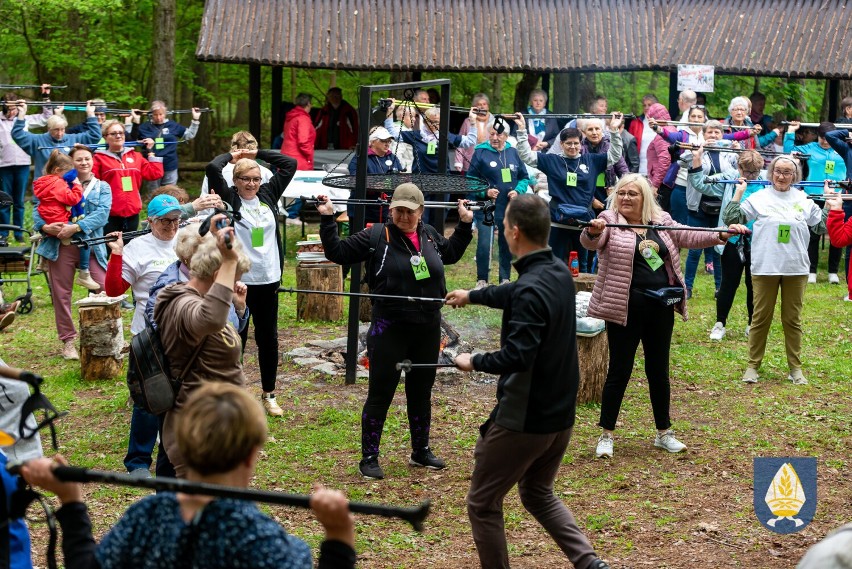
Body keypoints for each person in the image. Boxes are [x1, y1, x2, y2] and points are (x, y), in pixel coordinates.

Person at [20, 382, 358, 569]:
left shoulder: (146, 518)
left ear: (179, 445)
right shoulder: (265, 544)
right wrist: (339, 537)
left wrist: (70, 500)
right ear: (252, 455)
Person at [445, 194, 611, 569]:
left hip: (525, 419)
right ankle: (588, 563)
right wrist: (473, 295)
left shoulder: (533, 287)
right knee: (537, 493)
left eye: (504, 226)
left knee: (482, 503)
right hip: (560, 416)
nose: (503, 231)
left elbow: (517, 356)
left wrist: (473, 360)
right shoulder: (554, 272)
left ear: (514, 232)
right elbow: (515, 291)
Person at [316, 184, 473, 480]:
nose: (403, 216)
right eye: (398, 210)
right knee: (380, 393)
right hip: (389, 327)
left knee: (421, 391)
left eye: (409, 211)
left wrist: (464, 224)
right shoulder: (376, 236)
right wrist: (327, 219)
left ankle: (420, 451)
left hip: (427, 327)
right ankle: (370, 456)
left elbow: (450, 254)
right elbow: (337, 252)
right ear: (391, 211)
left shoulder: (428, 235)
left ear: (420, 211)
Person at [580, 174, 743, 457]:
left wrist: (722, 233)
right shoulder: (609, 219)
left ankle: (663, 432)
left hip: (661, 307)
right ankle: (606, 434)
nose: (626, 198)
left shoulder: (661, 220)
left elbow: (688, 234)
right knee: (620, 370)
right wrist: (593, 231)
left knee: (659, 371)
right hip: (624, 308)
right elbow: (592, 240)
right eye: (622, 193)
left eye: (633, 194)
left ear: (645, 198)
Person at [154, 218, 251, 477]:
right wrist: (229, 260)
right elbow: (209, 320)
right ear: (218, 274)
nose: (234, 285)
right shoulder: (179, 302)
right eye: (232, 278)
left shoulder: (205, 300)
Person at [206, 148, 298, 416]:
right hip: (240, 281)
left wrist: (256, 152)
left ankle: (269, 394)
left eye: (256, 178)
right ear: (235, 181)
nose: (251, 184)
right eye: (245, 178)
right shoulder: (230, 198)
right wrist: (232, 156)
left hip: (268, 279)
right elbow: (213, 167)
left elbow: (289, 163)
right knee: (237, 339)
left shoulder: (268, 195)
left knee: (268, 338)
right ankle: (234, 395)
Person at [722, 156, 827, 385]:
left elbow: (820, 226)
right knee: (760, 318)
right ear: (771, 173)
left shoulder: (803, 199)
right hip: (765, 266)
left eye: (787, 172)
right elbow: (731, 219)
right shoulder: (759, 198)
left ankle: (795, 369)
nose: (781, 176)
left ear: (795, 176)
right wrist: (739, 193)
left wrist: (829, 203)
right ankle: (752, 366)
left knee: (792, 320)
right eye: (778, 171)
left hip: (795, 268)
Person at [104, 194, 182, 476]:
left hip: (183, 332)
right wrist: (116, 254)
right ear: (150, 221)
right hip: (148, 333)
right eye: (165, 220)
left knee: (181, 395)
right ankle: (137, 462)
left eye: (175, 219)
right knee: (148, 398)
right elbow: (114, 290)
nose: (172, 226)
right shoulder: (138, 248)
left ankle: (175, 457)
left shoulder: (186, 240)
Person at [513, 111, 625, 271]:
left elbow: (614, 155)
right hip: (557, 222)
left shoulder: (591, 160)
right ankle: (554, 293)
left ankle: (582, 295)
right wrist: (522, 130)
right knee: (554, 263)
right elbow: (526, 156)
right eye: (568, 143)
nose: (572, 147)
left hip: (583, 223)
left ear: (581, 144)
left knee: (582, 265)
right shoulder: (552, 160)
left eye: (576, 143)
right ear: (562, 144)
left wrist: (613, 131)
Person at [33, 144, 112, 360]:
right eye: (79, 159)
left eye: (88, 159)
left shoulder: (101, 187)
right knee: (61, 295)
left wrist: (76, 227)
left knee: (105, 288)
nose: (84, 162)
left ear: (92, 161)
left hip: (91, 245)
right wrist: (43, 227)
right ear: (71, 164)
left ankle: (106, 334)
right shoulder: (54, 183)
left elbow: (103, 215)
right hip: (61, 246)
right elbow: (38, 209)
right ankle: (68, 341)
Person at [689, 149, 767, 340]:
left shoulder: (766, 180)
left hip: (759, 241)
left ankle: (752, 324)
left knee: (754, 284)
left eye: (754, 172)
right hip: (732, 240)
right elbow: (700, 183)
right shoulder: (730, 179)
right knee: (728, 284)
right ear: (739, 167)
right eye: (747, 172)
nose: (750, 176)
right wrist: (697, 159)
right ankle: (720, 323)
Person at [466, 122, 532, 286]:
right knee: (484, 243)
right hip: (486, 207)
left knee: (506, 243)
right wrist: (485, 192)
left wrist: (517, 191)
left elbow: (524, 177)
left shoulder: (513, 152)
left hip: (507, 208)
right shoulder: (480, 152)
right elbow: (471, 180)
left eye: (499, 134)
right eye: (492, 134)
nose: (495, 138)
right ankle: (482, 279)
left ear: (506, 136)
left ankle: (505, 278)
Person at [785, 121, 848, 284]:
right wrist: (791, 132)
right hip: (814, 196)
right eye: (822, 137)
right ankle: (811, 270)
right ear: (817, 136)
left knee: (837, 234)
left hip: (837, 196)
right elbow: (788, 151)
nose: (825, 141)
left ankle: (833, 272)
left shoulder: (843, 148)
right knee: (812, 234)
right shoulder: (810, 148)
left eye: (828, 138)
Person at [32, 150, 99, 290]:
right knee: (85, 238)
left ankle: (43, 261)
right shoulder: (58, 183)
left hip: (48, 217)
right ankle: (84, 273)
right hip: (58, 219)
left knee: (50, 234)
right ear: (57, 170)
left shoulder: (42, 182)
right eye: (68, 173)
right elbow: (72, 199)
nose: (70, 176)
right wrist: (76, 186)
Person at [0, 90, 53, 244]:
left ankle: (18, 233)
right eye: (8, 108)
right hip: (4, 165)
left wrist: (45, 97)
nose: (11, 112)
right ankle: (3, 233)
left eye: (14, 108)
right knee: (4, 201)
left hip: (22, 165)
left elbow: (46, 118)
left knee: (19, 201)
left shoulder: (25, 120)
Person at [93, 119, 163, 236]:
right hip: (109, 213)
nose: (118, 136)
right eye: (114, 133)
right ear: (105, 137)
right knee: (109, 249)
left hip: (132, 212)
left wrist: (150, 151)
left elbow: (155, 173)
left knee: (128, 249)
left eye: (121, 132)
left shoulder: (136, 156)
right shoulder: (99, 158)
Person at [11, 100, 100, 185]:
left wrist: (91, 114)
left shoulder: (74, 138)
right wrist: (21, 114)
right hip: (45, 189)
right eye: (56, 130)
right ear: (49, 128)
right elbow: (17, 134)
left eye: (62, 129)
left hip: (69, 189)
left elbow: (95, 135)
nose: (60, 133)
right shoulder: (37, 140)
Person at [127, 101, 201, 191]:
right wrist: (129, 122)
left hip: (170, 165)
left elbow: (189, 135)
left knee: (170, 193)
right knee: (153, 193)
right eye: (155, 115)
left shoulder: (173, 125)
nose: (158, 117)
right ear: (151, 114)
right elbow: (129, 140)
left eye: (161, 114)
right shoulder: (144, 127)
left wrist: (195, 120)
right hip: (151, 166)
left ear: (165, 113)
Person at [346, 126, 403, 223]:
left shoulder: (393, 157)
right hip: (363, 211)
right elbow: (355, 180)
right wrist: (376, 185)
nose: (387, 144)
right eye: (383, 140)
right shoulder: (360, 158)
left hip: (387, 211)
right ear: (372, 142)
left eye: (389, 141)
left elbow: (400, 177)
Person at [825, 124, 852, 301]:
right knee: (848, 241)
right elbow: (830, 135)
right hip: (849, 196)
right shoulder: (848, 148)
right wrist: (849, 133)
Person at [453, 93, 492, 172]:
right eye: (479, 104)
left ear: (488, 106)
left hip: (490, 161)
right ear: (474, 107)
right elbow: (461, 141)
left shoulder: (494, 121)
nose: (482, 107)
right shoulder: (468, 121)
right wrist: (458, 161)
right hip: (470, 160)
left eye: (484, 104)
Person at [282, 93, 316, 170]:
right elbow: (303, 142)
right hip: (299, 161)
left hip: (285, 158)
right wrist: (310, 154)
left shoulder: (291, 117)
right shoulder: (303, 118)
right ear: (308, 104)